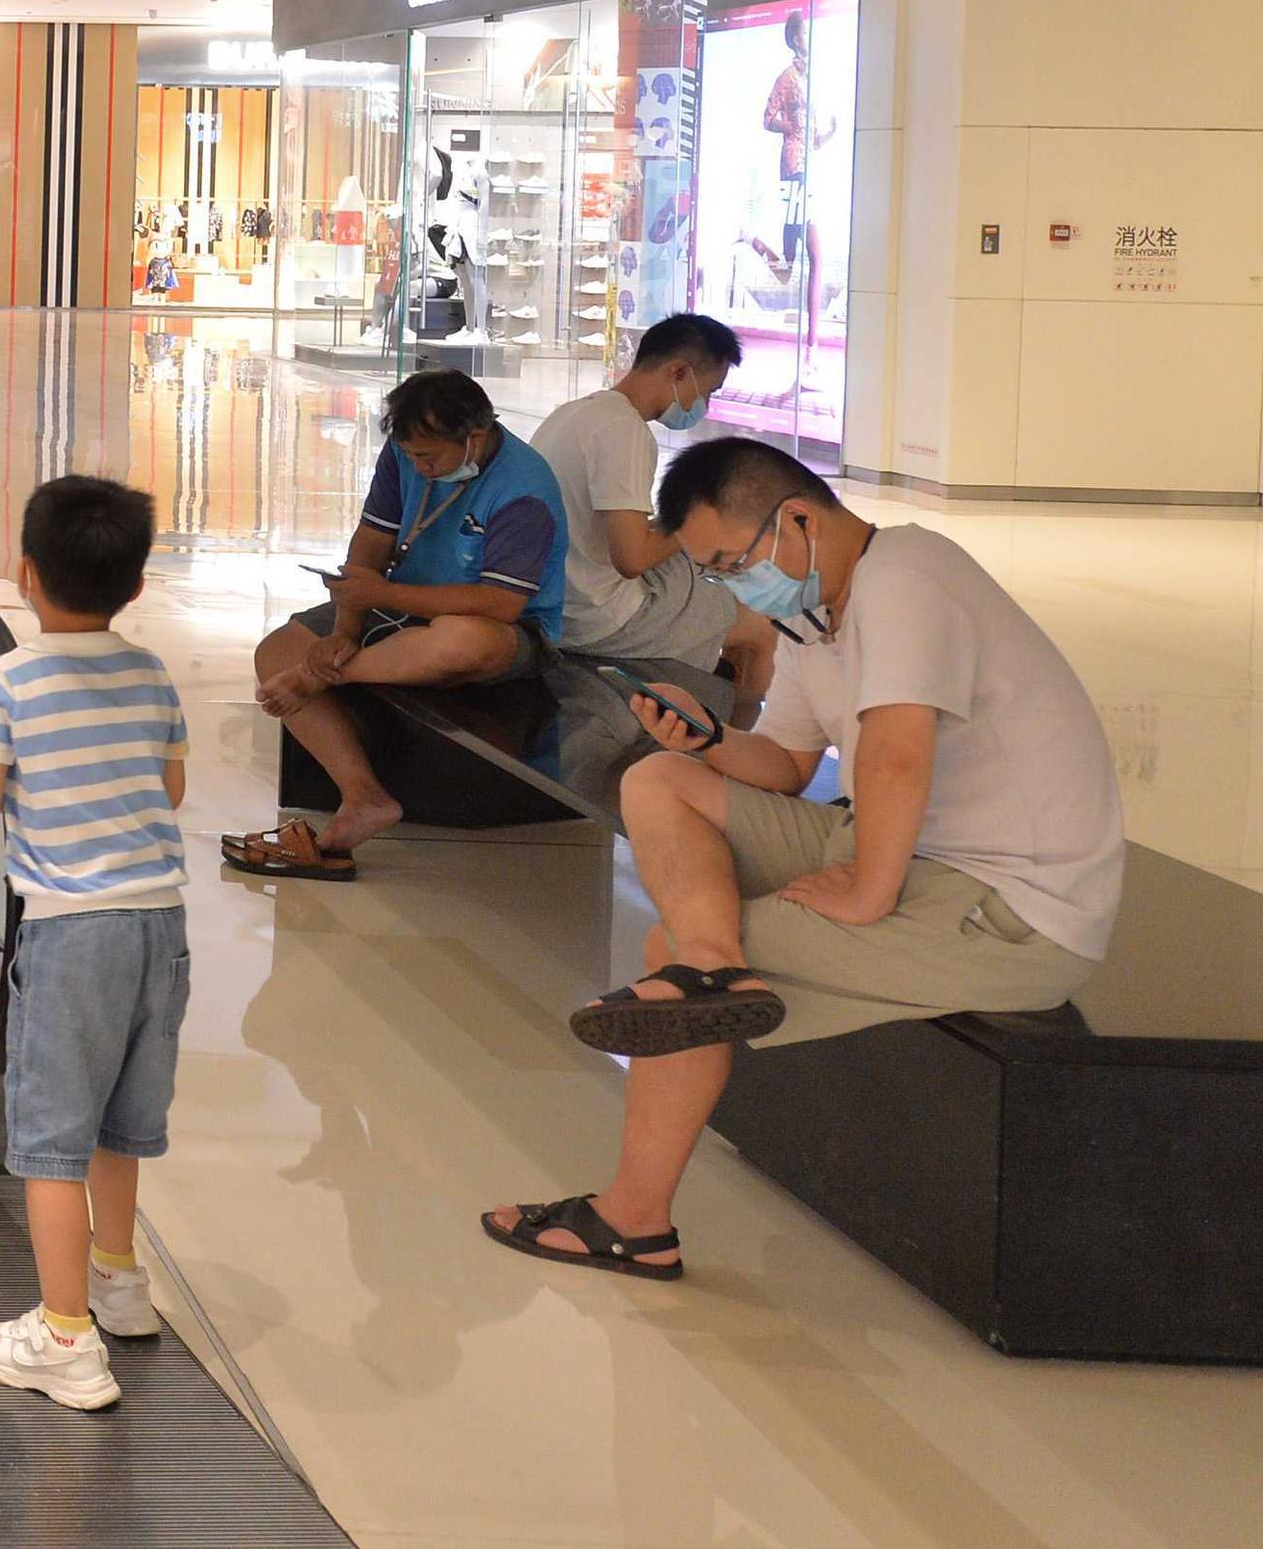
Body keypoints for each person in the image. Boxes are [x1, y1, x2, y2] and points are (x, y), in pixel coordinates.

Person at [481, 441, 1124, 1281]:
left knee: (662, 957)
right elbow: (784, 764)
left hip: (1012, 909)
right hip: (903, 846)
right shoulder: (815, 612)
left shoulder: (908, 576)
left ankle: (632, 1221)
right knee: (662, 779)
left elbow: (896, 755)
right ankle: (714, 967)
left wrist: (866, 891)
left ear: (798, 521)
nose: (733, 587)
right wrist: (707, 737)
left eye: (729, 563)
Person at [0, 475, 188, 1413]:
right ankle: (118, 1285)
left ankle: (63, 1339)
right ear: (135, 586)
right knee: (119, 1127)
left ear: (23, 574)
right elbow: (169, 790)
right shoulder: (151, 673)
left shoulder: (11, 678)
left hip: (71, 928)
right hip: (158, 926)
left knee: (50, 1141)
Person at [220, 368, 570, 879]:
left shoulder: (525, 490)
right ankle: (363, 795)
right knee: (276, 653)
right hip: (399, 605)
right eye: (409, 454)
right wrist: (344, 629)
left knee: (459, 641)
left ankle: (332, 674)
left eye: (428, 457)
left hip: (502, 630)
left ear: (474, 437)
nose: (417, 466)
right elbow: (370, 544)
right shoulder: (407, 455)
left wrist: (332, 660)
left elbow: (500, 605)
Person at [529, 313, 750, 681]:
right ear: (679, 373)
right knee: (759, 620)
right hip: (599, 620)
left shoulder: (573, 413)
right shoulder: (625, 431)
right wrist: (694, 517)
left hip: (556, 603)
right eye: (709, 391)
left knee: (709, 566)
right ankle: (734, 734)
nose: (705, 404)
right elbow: (632, 558)